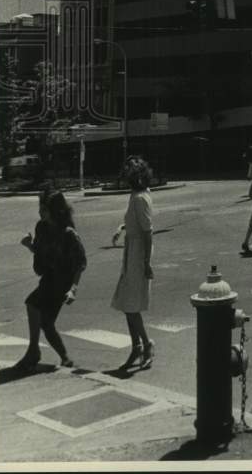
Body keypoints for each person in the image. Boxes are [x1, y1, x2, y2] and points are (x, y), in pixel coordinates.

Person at [15, 189, 87, 371]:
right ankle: (65, 358)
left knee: (32, 304)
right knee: (46, 323)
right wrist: (29, 246)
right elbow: (42, 254)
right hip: (49, 279)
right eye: (40, 207)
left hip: (62, 282)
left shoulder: (68, 234)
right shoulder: (42, 227)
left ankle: (33, 351)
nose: (40, 211)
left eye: (44, 208)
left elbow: (80, 263)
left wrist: (73, 289)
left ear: (54, 210)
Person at [111, 157, 155, 370]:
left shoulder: (140, 198)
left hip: (138, 254)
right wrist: (122, 228)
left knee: (131, 305)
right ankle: (137, 346)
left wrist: (146, 262)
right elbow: (135, 222)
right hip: (132, 252)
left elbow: (148, 232)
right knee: (127, 304)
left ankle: (146, 345)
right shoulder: (137, 195)